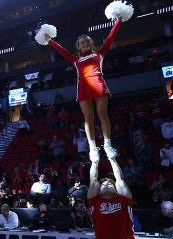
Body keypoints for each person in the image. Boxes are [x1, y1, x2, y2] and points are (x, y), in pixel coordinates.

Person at [37, 1, 134, 162]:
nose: (85, 43)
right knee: (88, 117)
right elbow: (61, 50)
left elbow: (110, 37)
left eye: (87, 41)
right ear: (79, 47)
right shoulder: (75, 59)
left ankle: (107, 144)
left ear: (90, 43)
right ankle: (92, 147)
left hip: (98, 84)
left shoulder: (100, 53)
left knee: (102, 113)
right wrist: (49, 40)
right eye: (82, 42)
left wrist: (118, 20)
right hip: (83, 87)